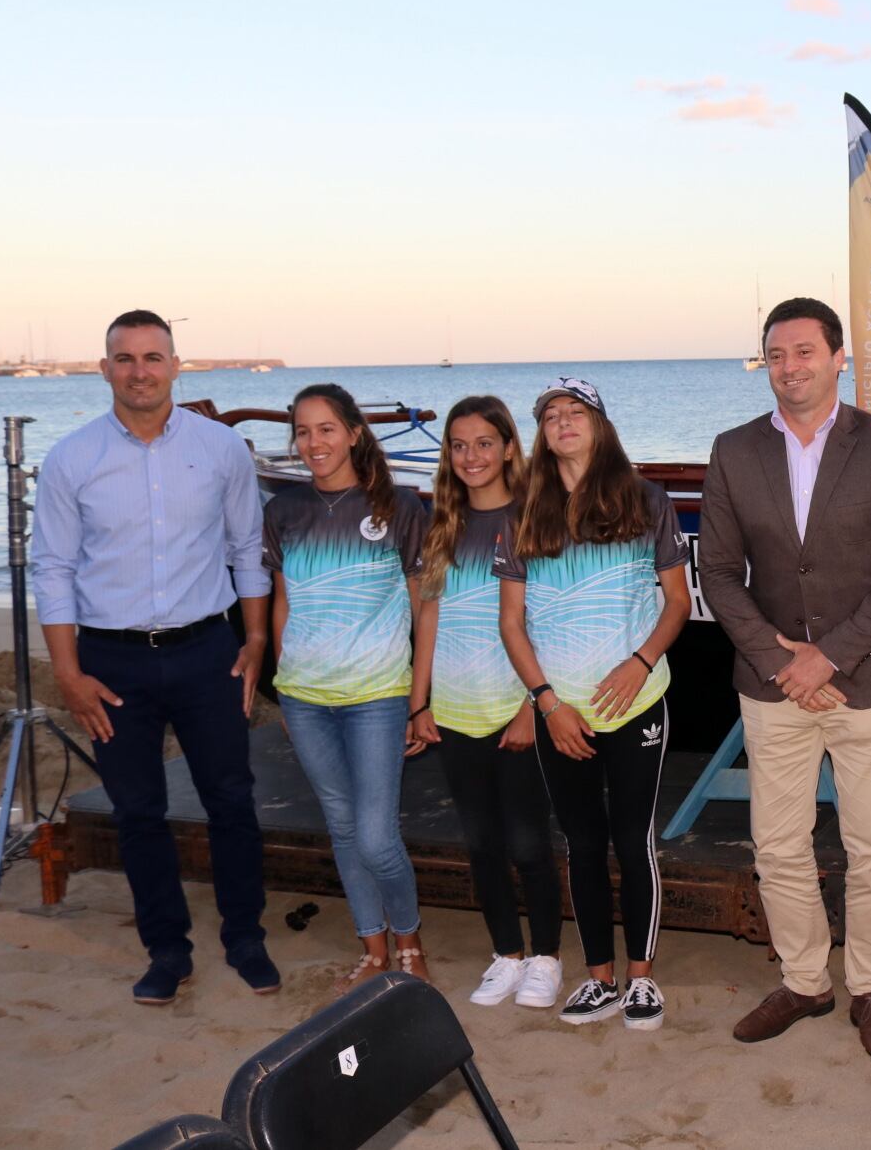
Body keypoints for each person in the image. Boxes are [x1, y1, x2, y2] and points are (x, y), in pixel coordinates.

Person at [699, 298, 871, 1062]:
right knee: (777, 844)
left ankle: (870, 987)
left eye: (804, 351)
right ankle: (805, 980)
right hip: (773, 687)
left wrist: (825, 656)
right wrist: (781, 661)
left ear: (839, 358)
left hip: (867, 681)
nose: (790, 367)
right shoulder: (733, 450)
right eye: (776, 354)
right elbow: (718, 573)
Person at [32, 310, 276, 1004]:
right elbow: (52, 568)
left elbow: (246, 548)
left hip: (209, 652)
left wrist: (255, 639)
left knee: (232, 799)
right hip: (111, 664)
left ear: (175, 364)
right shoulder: (72, 458)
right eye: (125, 357)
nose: (140, 369)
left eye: (152, 356)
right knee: (138, 811)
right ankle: (167, 949)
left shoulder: (221, 448)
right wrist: (69, 673)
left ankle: (245, 937)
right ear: (105, 367)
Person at [495, 377, 690, 1029]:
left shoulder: (645, 501)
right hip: (562, 713)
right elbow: (513, 623)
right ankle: (599, 978)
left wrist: (640, 664)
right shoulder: (523, 512)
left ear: (600, 425)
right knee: (581, 842)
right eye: (550, 415)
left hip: (636, 705)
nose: (562, 421)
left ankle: (641, 978)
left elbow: (678, 602)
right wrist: (548, 703)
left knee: (633, 841)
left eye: (575, 411)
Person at [264, 383, 432, 985]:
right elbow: (284, 603)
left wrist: (420, 698)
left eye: (327, 429)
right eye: (303, 431)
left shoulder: (399, 508)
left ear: (355, 433)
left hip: (376, 697)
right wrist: (285, 683)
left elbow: (424, 607)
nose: (315, 443)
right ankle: (374, 948)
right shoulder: (283, 511)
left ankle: (410, 942)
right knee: (340, 827)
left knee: (375, 835)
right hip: (305, 698)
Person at [408, 396, 564, 1012]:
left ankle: (547, 955)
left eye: (483, 443)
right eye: (458, 444)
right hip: (455, 707)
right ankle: (508, 952)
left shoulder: (533, 519)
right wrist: (420, 703)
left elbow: (545, 620)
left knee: (529, 842)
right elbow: (428, 619)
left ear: (507, 448)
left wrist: (535, 705)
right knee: (481, 843)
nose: (471, 456)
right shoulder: (441, 524)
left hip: (516, 707)